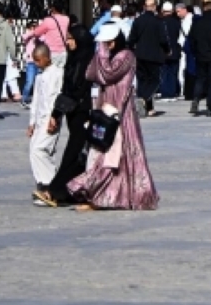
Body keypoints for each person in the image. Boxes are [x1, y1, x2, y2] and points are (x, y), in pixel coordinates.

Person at [68, 25, 160, 211]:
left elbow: (108, 74)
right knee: (102, 151)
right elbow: (92, 74)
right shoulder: (107, 56)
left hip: (120, 112)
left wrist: (101, 53)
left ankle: (112, 195)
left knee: (115, 154)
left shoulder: (126, 56)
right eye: (104, 42)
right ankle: (99, 195)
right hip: (105, 109)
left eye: (108, 42)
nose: (106, 45)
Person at [47, 22, 96, 206]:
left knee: (74, 152)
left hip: (84, 112)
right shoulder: (75, 58)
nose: (67, 42)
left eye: (70, 39)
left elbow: (75, 89)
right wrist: (57, 113)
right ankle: (68, 190)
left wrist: (57, 112)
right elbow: (67, 88)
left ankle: (57, 189)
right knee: (77, 152)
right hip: (73, 112)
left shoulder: (87, 61)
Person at [26, 41, 66, 206]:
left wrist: (55, 117)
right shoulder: (39, 76)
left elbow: (59, 96)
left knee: (39, 150)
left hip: (51, 119)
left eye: (38, 60)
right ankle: (50, 183)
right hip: (40, 120)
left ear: (47, 58)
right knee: (36, 150)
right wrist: (31, 122)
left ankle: (48, 184)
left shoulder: (58, 74)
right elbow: (36, 101)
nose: (36, 64)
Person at [128, 0, 171, 117]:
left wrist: (130, 50)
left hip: (140, 55)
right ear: (154, 7)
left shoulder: (138, 21)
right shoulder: (158, 21)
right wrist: (167, 50)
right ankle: (143, 98)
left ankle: (149, 108)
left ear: (144, 7)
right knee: (155, 80)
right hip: (154, 55)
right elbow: (163, 39)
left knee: (143, 80)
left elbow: (132, 38)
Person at [158, 2, 182, 98]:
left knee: (163, 72)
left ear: (162, 11)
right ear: (172, 11)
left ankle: (164, 92)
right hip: (175, 49)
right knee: (173, 72)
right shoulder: (177, 22)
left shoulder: (159, 22)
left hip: (162, 51)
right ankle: (172, 92)